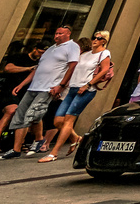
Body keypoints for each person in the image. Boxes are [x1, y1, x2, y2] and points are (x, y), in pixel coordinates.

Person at [0, 26, 79, 160]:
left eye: (60, 33)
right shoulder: (50, 49)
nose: (56, 35)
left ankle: (39, 139)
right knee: (20, 115)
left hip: (48, 87)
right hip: (34, 86)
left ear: (68, 34)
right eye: (56, 33)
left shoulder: (72, 47)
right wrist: (22, 84)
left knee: (34, 113)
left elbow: (73, 67)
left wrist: (61, 85)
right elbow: (37, 69)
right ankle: (16, 149)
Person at [41, 30, 112, 162]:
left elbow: (104, 70)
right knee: (58, 120)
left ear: (104, 41)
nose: (95, 40)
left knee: (68, 120)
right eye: (94, 37)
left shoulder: (104, 53)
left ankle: (53, 153)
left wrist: (88, 84)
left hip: (86, 90)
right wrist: (62, 86)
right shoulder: (85, 54)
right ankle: (75, 138)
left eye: (99, 38)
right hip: (73, 88)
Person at [0, 43, 39, 153]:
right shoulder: (19, 57)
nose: (40, 55)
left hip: (25, 94)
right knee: (11, 111)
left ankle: (20, 143)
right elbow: (8, 68)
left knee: (27, 115)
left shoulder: (41, 62)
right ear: (34, 49)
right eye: (39, 52)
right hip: (9, 91)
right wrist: (27, 69)